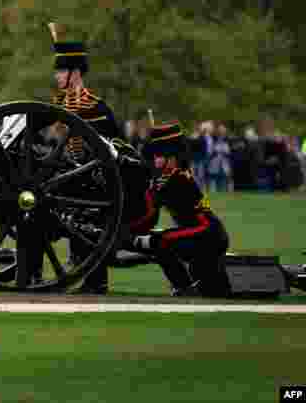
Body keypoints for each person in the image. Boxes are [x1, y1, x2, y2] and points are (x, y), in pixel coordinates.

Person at [48, 34, 126, 294]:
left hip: (97, 183)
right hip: (68, 177)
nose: (57, 76)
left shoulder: (96, 108)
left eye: (61, 70)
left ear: (75, 73)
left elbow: (114, 149)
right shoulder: (60, 104)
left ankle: (96, 280)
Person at [131, 121, 231, 297]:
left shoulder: (175, 179)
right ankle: (188, 285)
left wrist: (132, 235)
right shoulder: (172, 176)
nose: (156, 160)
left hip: (206, 232)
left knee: (160, 241)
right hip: (200, 231)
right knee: (212, 288)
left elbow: (149, 214)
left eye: (159, 156)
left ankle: (184, 287)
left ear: (171, 157)